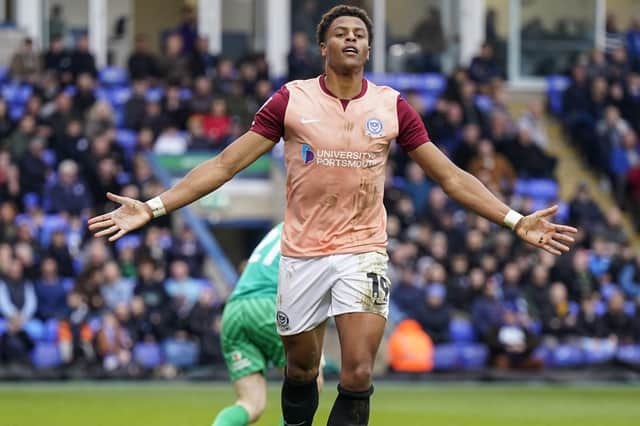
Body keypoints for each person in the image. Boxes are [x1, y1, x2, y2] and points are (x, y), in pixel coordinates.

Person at [88, 5, 577, 425]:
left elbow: (450, 176)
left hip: (363, 250)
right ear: (323, 46)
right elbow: (225, 164)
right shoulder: (291, 100)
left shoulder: (393, 106)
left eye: (360, 35)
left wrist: (514, 220)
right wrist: (153, 206)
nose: (351, 39)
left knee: (358, 370)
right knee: (302, 369)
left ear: (368, 50)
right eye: (341, 33)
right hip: (301, 254)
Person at [212, 222, 323, 426]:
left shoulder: (285, 225)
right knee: (311, 381)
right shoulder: (319, 226)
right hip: (269, 304)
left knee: (250, 404)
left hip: (235, 308)